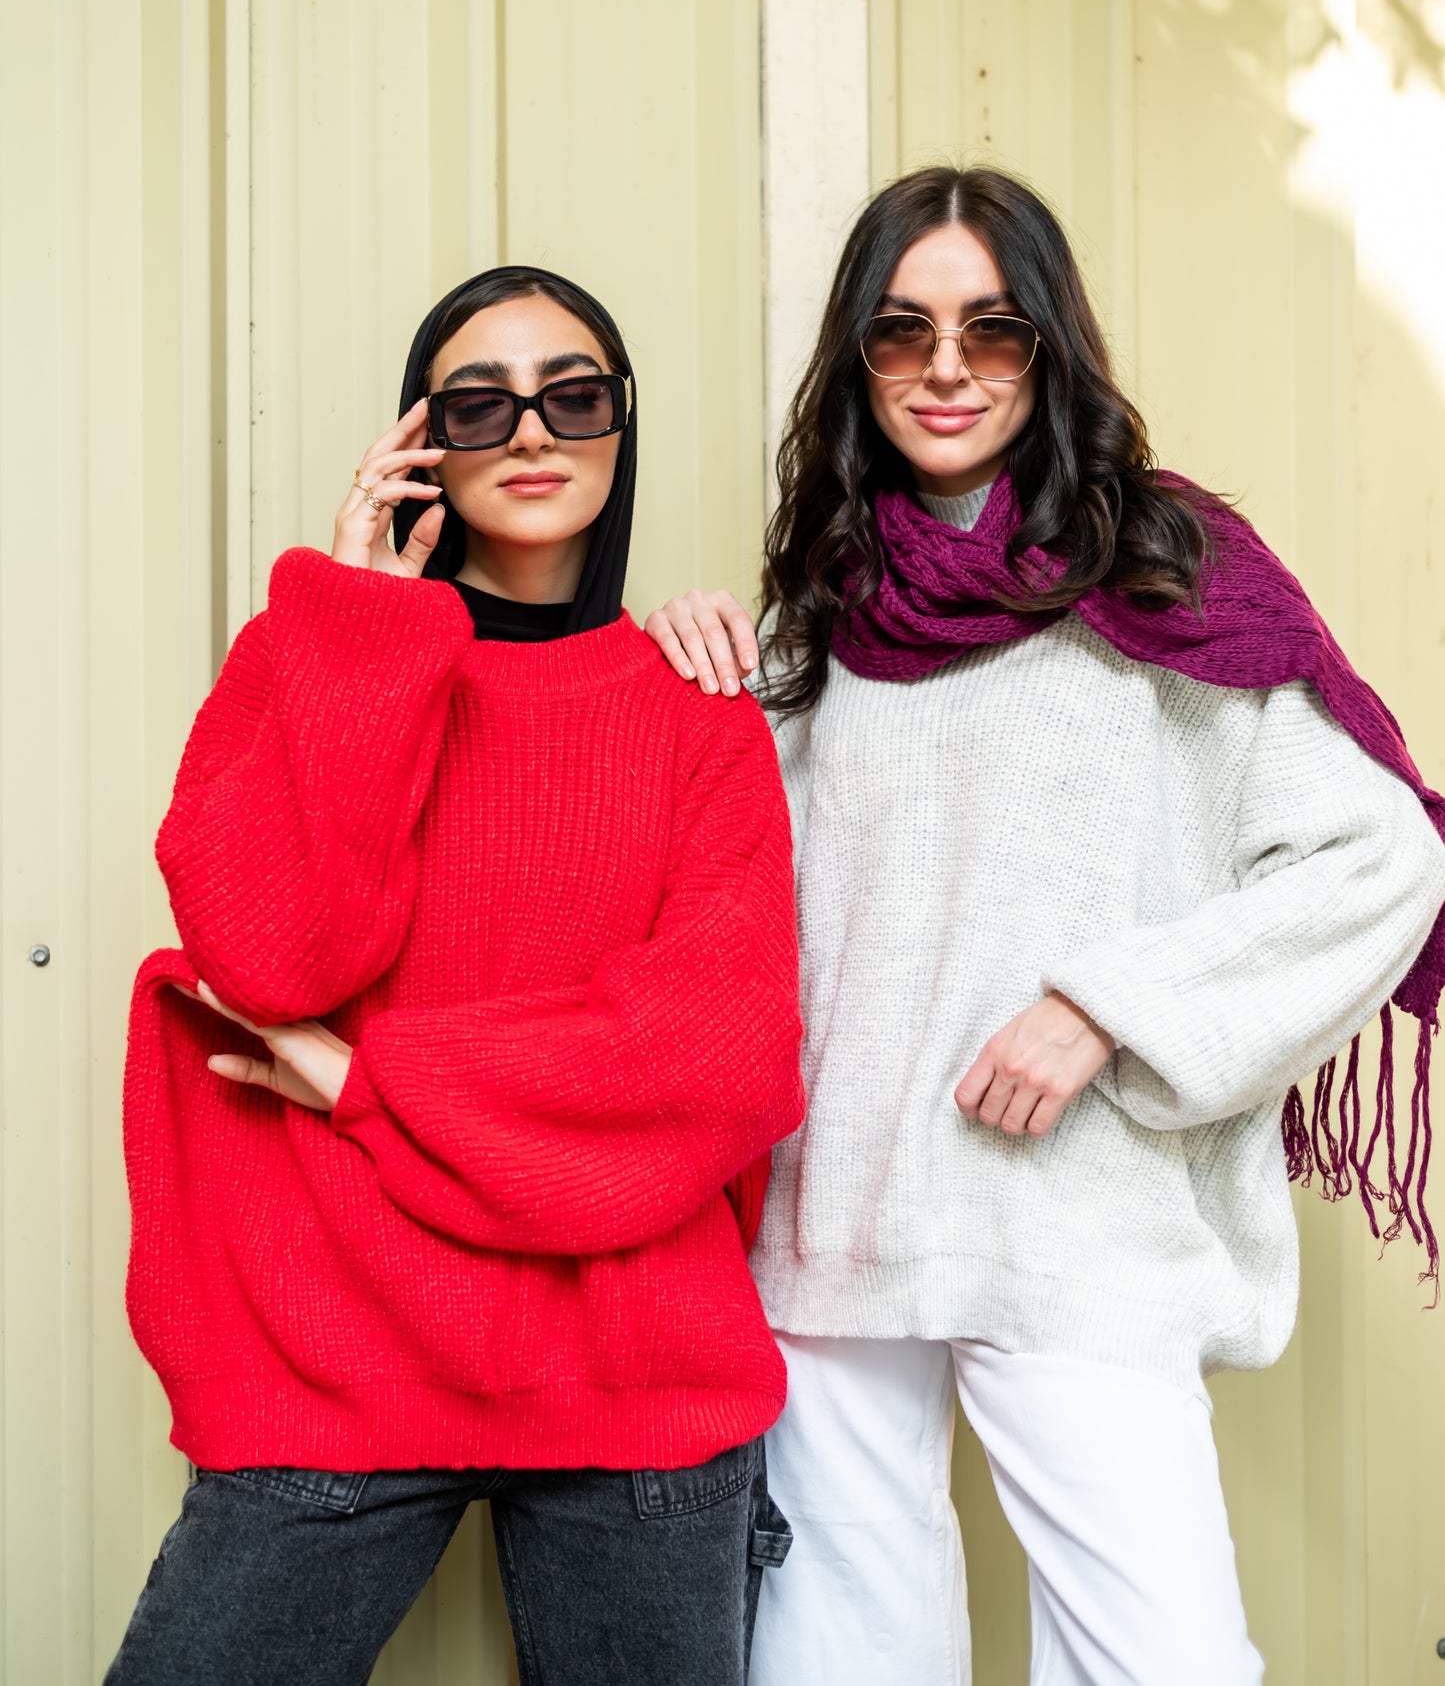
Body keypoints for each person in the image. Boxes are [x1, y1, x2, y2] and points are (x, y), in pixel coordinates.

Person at [644, 167, 1445, 1686]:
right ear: (857, 359)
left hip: (1071, 1216)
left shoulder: (1160, 571)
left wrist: (1104, 1009)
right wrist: (698, 658)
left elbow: (1380, 856)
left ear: (1047, 347)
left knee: (1165, 1662)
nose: (945, 369)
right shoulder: (823, 608)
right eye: (902, 333)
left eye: (991, 330)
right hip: (842, 1211)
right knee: (837, 1659)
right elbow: (752, 879)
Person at [109, 266, 804, 1686]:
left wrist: (369, 1078)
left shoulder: (697, 713)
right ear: (422, 440)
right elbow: (269, 955)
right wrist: (357, 616)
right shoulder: (319, 658)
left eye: (576, 395)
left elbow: (714, 1057)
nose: (533, 431)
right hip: (335, 1350)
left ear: (621, 429)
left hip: (635, 1371)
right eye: (481, 402)